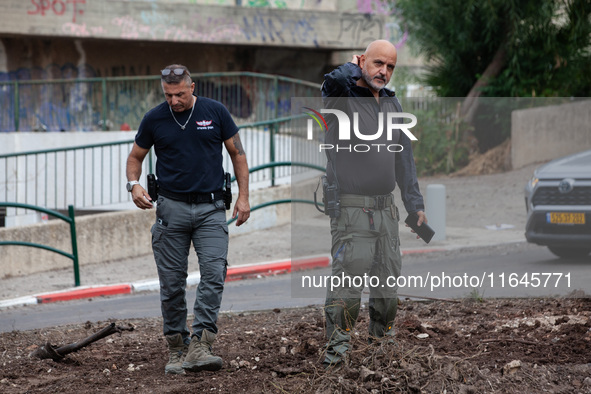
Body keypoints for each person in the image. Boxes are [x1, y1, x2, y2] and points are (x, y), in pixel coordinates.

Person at [125, 64, 250, 375]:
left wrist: (244, 197)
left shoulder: (215, 111)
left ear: (192, 87)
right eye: (168, 94)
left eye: (179, 94)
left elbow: (238, 154)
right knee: (171, 284)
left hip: (210, 209)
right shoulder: (155, 118)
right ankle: (177, 348)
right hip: (171, 210)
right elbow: (135, 157)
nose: (174, 100)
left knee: (213, 273)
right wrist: (133, 184)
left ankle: (201, 345)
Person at [320, 40, 427, 369]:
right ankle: (337, 354)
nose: (384, 71)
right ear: (363, 61)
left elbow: (404, 162)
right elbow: (331, 81)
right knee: (348, 280)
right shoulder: (344, 96)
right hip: (352, 210)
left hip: (386, 210)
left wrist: (415, 205)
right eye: (378, 63)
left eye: (390, 66)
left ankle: (383, 345)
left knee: (387, 279)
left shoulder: (393, 106)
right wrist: (353, 68)